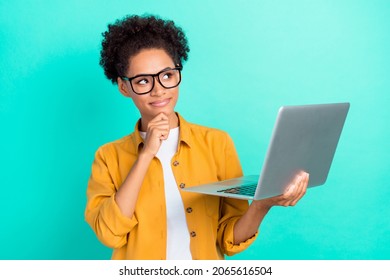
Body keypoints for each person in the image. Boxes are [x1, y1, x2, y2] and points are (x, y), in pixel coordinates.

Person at [84, 14, 309, 260]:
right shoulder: (108, 157)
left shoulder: (217, 144)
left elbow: (228, 239)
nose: (159, 89)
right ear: (124, 87)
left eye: (167, 75)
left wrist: (261, 205)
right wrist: (146, 154)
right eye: (143, 81)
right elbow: (109, 234)